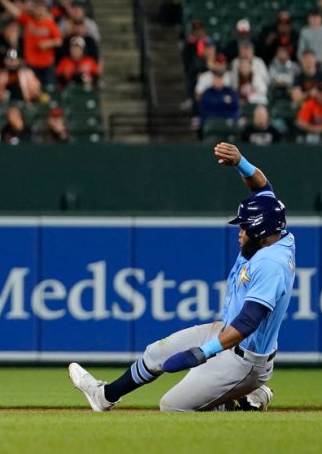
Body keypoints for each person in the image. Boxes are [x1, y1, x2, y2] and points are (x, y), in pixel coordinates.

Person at [70, 143, 290, 412]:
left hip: (245, 358)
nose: (240, 232)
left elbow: (247, 322)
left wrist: (203, 352)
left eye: (244, 227)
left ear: (259, 229)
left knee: (172, 407)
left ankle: (246, 399)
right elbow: (263, 189)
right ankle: (104, 396)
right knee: (155, 353)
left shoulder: (270, 263)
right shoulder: (274, 232)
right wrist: (241, 162)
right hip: (227, 334)